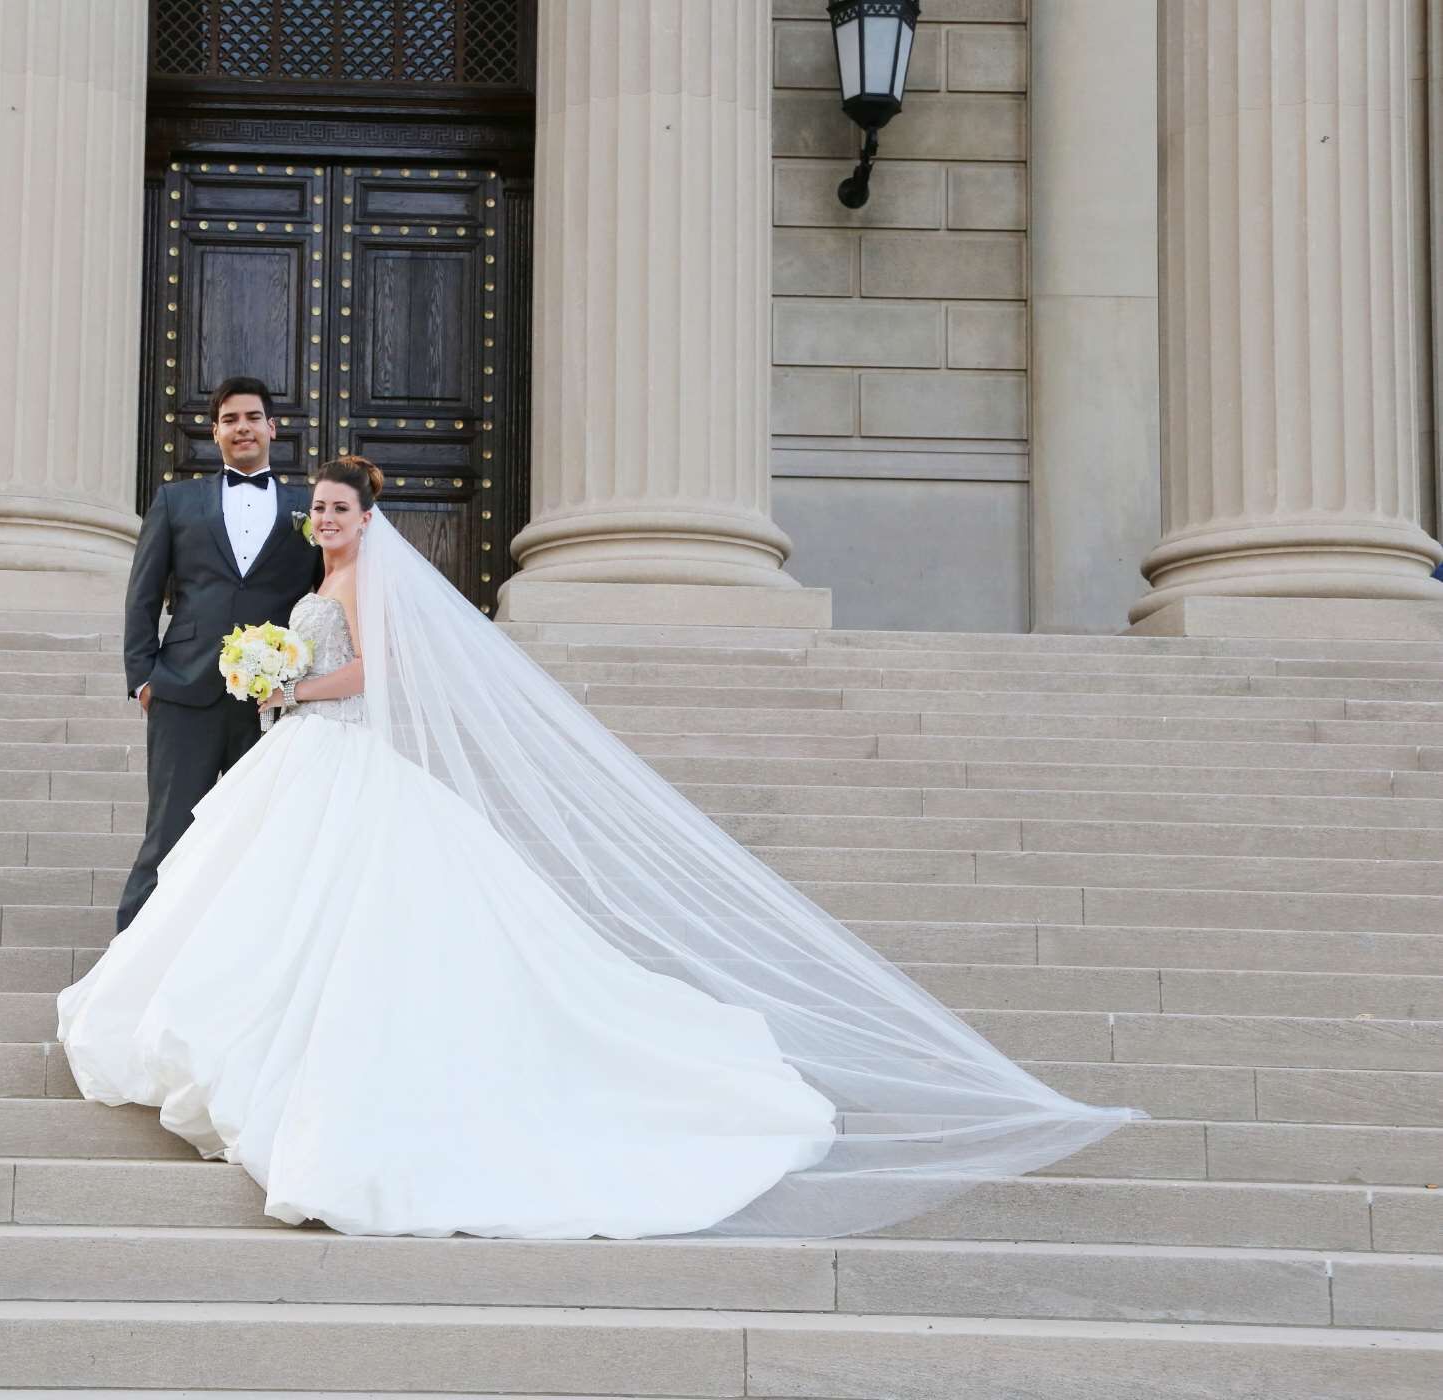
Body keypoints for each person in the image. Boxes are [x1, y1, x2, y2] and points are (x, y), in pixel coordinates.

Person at [63, 455, 1138, 1241]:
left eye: (341, 510)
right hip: (304, 758)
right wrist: (271, 678)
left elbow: (375, 673)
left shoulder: (366, 583)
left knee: (340, 914)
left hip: (335, 746)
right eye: (322, 509)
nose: (328, 520)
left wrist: (291, 685)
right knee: (262, 900)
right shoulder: (317, 579)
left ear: (368, 517)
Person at [116, 376, 320, 933]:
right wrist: (143, 679)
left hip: (273, 702)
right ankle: (131, 959)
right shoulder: (176, 501)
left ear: (272, 428)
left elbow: (324, 594)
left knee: (262, 836)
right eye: (230, 420)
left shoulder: (307, 508)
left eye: (252, 418)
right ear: (215, 432)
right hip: (185, 690)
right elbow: (142, 594)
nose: (242, 428)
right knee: (168, 834)